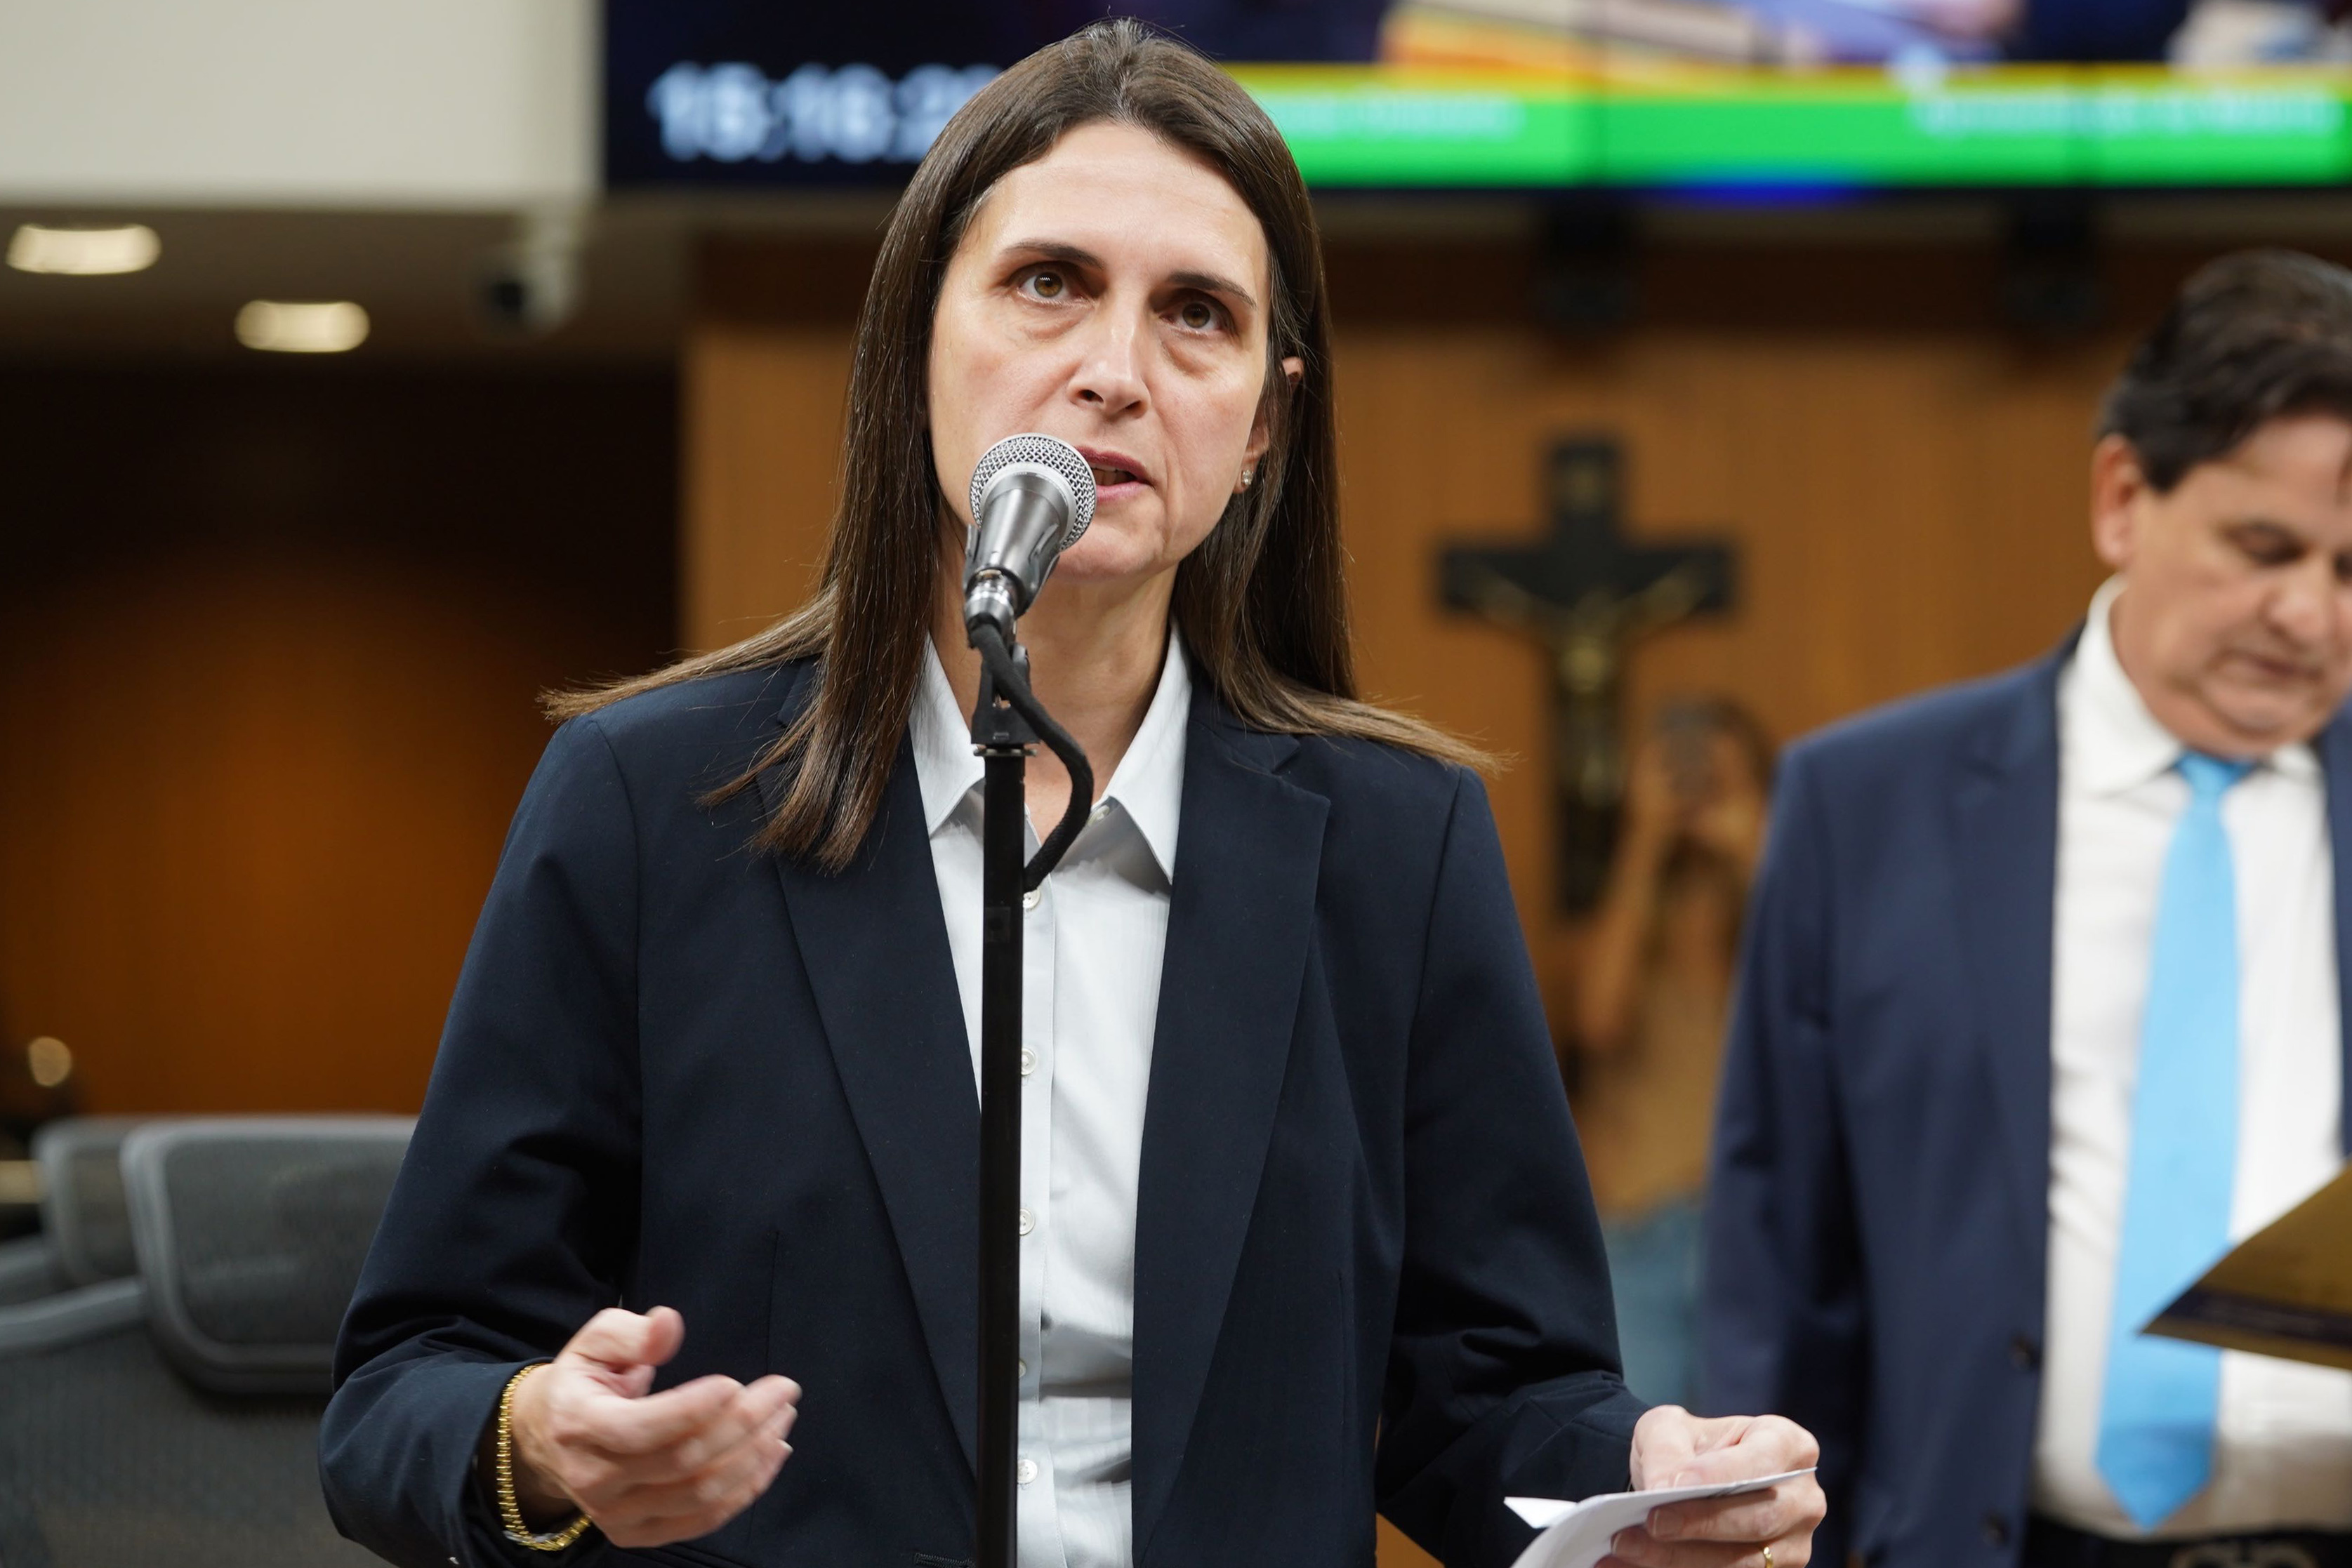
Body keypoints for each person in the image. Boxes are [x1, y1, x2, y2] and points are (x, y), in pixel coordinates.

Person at [322, 21, 1826, 1568]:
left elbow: (1488, 1392)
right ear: (918, 340)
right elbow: (401, 1387)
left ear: (1263, 424)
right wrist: (543, 1436)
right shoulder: (653, 803)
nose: (1113, 373)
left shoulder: (1396, 845)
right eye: (1049, 283)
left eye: (1196, 314)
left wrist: (1637, 1465)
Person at [1706, 248, 2352, 1567]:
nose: (2308, 612)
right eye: (2264, 547)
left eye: (2350, 570)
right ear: (2122, 497)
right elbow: (1781, 1272)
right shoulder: (1865, 806)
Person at [1573, 700, 1772, 1411]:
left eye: (1716, 773)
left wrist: (1755, 844)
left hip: (1754, 1236)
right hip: (1638, 1232)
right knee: (1641, 1454)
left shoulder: (1775, 898)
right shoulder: (1625, 907)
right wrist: (1643, 841)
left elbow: (1828, 995)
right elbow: (1597, 1021)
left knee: (1758, 1455)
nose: (1695, 788)